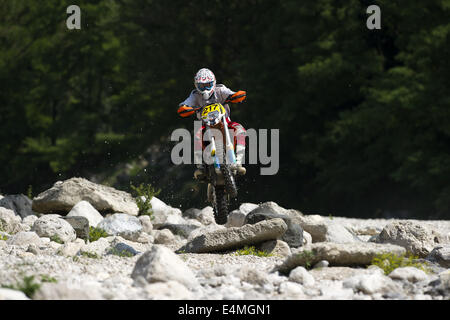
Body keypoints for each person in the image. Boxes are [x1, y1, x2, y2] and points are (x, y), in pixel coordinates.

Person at [177, 68, 247, 179]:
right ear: (196, 86)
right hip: (206, 125)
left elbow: (232, 94)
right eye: (202, 86)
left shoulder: (220, 90)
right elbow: (185, 104)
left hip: (225, 122)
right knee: (197, 135)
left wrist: (236, 96)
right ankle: (200, 166)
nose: (205, 89)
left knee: (240, 130)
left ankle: (238, 162)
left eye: (208, 85)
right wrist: (185, 108)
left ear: (213, 83)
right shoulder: (195, 95)